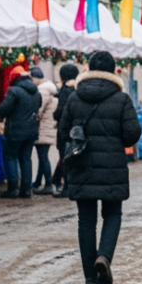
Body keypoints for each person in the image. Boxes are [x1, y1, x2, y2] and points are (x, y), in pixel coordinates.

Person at [58, 51, 141, 284]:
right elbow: (132, 134)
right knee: (112, 214)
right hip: (112, 166)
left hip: (81, 165)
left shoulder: (74, 97)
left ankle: (90, 277)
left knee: (86, 220)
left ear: (89, 69)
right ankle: (104, 256)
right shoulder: (122, 99)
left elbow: (63, 132)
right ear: (113, 71)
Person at [0, 67, 41, 199]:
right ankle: (26, 189)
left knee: (11, 157)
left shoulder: (13, 91)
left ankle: (13, 188)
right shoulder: (36, 92)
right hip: (31, 130)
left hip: (15, 130)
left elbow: (5, 108)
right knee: (26, 158)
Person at [52, 63, 80, 198]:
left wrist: (55, 115)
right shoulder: (79, 88)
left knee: (65, 158)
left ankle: (67, 187)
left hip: (66, 131)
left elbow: (61, 111)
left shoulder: (65, 90)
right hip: (77, 130)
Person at [32, 67, 58, 195]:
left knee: (43, 157)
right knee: (43, 156)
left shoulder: (43, 91)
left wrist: (33, 118)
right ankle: (38, 182)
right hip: (48, 127)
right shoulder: (49, 89)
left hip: (43, 128)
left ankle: (48, 184)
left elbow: (39, 110)